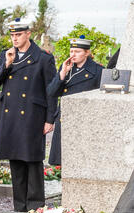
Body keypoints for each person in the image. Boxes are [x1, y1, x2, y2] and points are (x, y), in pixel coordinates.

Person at [0, 18, 57, 212]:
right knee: (15, 160)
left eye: (18, 34)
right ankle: (19, 207)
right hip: (10, 116)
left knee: (32, 160)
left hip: (32, 115)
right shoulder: (7, 55)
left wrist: (49, 119)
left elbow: (51, 91)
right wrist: (7, 64)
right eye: (12, 35)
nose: (15, 39)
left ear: (28, 34)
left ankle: (36, 208)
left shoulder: (43, 58)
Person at [47, 35, 104, 166]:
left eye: (77, 51)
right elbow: (52, 93)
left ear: (87, 53)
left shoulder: (98, 70)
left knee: (81, 162)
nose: (73, 55)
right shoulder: (66, 68)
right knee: (64, 162)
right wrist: (62, 74)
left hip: (84, 122)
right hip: (65, 120)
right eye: (71, 51)